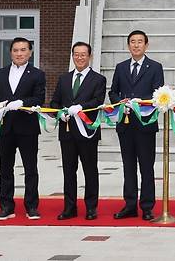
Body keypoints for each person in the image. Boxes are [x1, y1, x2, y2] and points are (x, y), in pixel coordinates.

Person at [109, 30, 164, 221]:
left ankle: (147, 206)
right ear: (128, 46)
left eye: (140, 42)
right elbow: (113, 92)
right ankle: (130, 204)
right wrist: (121, 101)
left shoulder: (155, 67)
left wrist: (138, 101)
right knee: (128, 166)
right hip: (125, 124)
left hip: (145, 124)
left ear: (146, 45)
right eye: (132, 42)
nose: (136, 45)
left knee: (147, 167)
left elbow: (158, 94)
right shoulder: (121, 67)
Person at [0, 37, 46, 221]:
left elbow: (39, 98)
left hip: (27, 128)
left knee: (30, 169)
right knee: (5, 168)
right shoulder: (0, 73)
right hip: (5, 128)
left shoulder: (37, 74)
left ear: (30, 52)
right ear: (10, 52)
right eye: (15, 50)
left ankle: (31, 206)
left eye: (23, 50)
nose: (19, 53)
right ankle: (6, 206)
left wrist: (23, 103)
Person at [50, 42, 106, 221]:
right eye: (76, 54)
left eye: (83, 54)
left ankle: (91, 207)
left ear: (90, 56)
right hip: (67, 132)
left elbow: (97, 101)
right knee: (68, 170)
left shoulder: (98, 79)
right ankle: (69, 207)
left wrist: (80, 107)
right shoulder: (64, 79)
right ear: (72, 55)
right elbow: (54, 103)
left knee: (90, 170)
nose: (79, 57)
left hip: (88, 132)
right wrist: (60, 113)